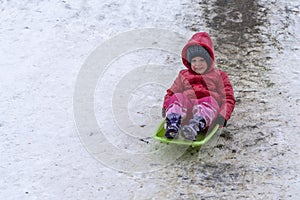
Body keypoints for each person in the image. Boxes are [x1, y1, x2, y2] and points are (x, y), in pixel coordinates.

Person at [162, 32, 236, 141]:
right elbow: (171, 93)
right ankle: (173, 123)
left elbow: (228, 98)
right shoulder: (183, 75)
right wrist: (165, 106)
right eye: (194, 61)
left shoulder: (219, 76)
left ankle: (194, 126)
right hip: (185, 114)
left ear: (209, 60)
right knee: (178, 97)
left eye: (202, 60)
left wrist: (223, 116)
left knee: (210, 100)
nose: (198, 64)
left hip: (207, 118)